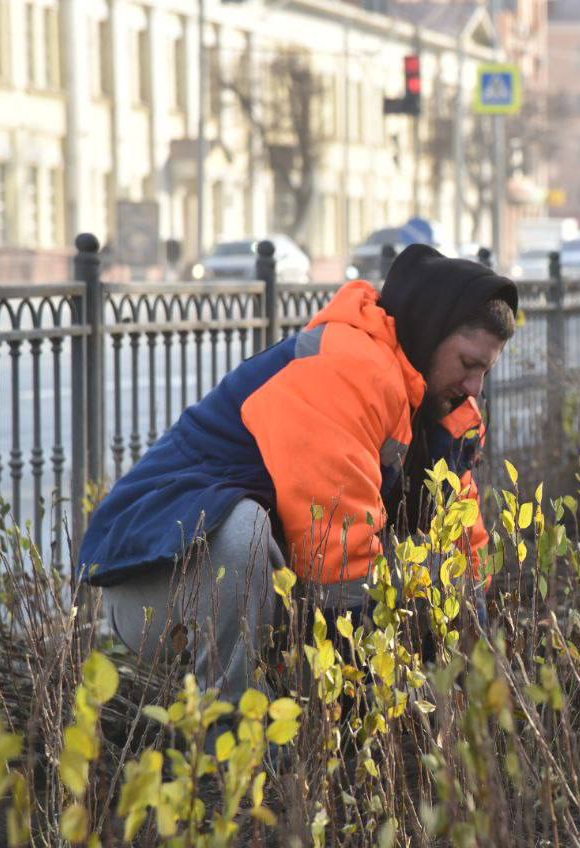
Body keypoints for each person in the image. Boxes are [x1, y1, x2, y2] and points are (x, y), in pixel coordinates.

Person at [78, 245, 518, 699]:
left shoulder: (443, 413)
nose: (475, 387)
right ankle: (235, 734)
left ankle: (292, 707)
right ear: (429, 333)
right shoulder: (350, 372)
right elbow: (339, 565)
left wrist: (480, 684)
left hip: (255, 581)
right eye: (468, 364)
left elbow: (463, 549)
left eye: (485, 372)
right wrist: (355, 702)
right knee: (244, 533)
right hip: (155, 582)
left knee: (430, 564)